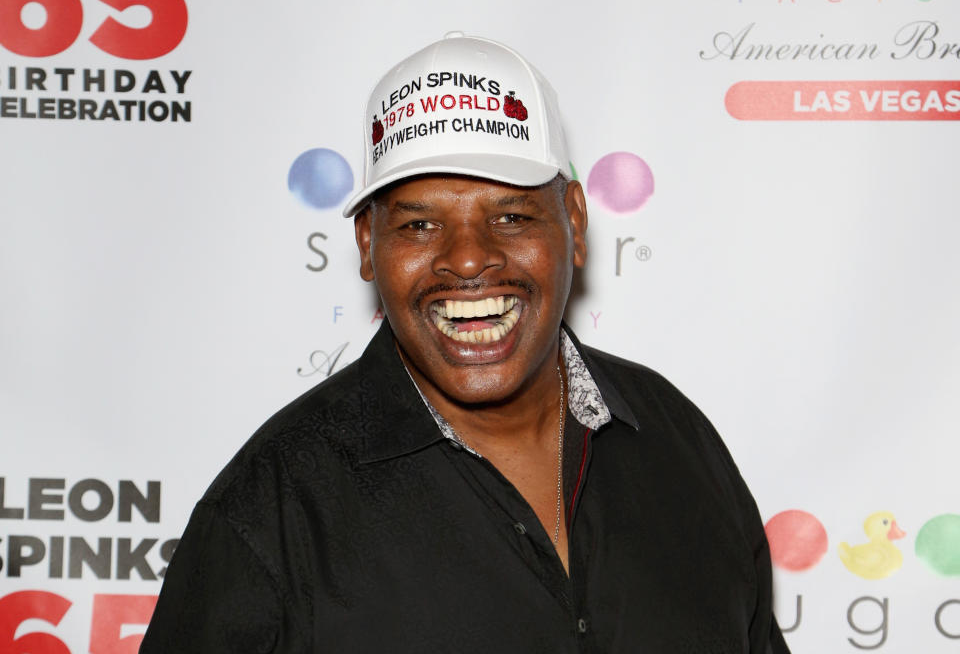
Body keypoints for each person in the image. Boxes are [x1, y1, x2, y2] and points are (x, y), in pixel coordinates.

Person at [140, 33, 790, 653]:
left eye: (511, 216)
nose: (470, 259)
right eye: (421, 224)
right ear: (368, 246)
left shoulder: (677, 440)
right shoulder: (272, 513)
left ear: (576, 223)